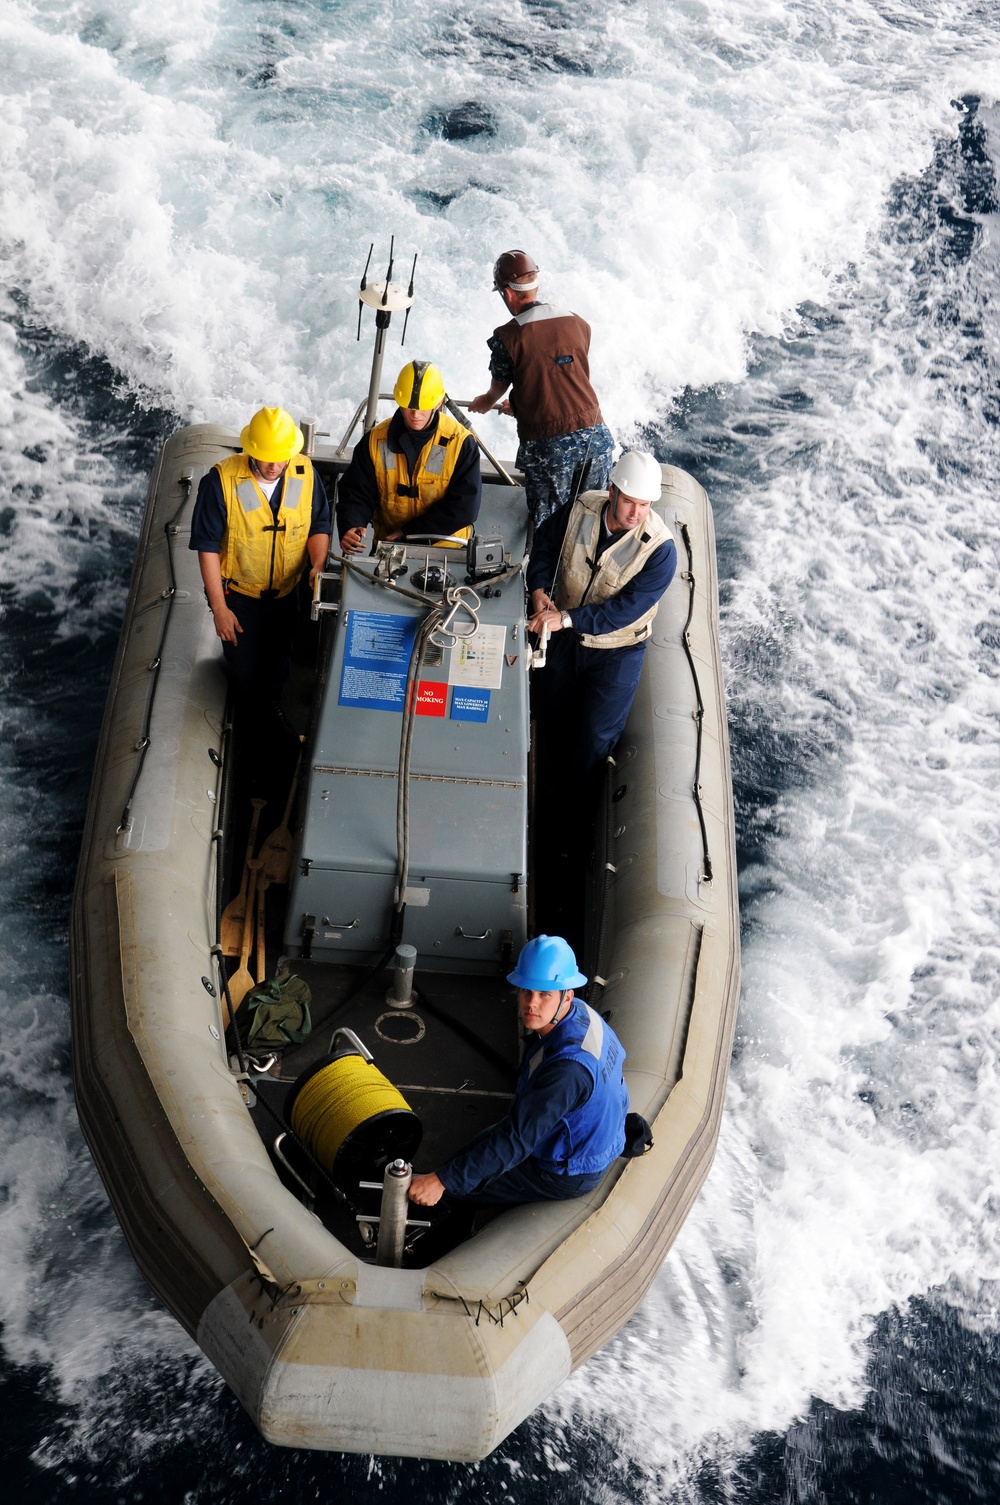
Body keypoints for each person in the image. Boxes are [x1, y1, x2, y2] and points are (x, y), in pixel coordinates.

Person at [408, 936, 628, 1208]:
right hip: (591, 1141)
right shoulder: (581, 1014)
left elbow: (517, 1141)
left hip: (567, 1171)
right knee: (475, 1149)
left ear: (566, 996)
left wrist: (442, 1182)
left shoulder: (568, 1071)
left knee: (460, 1185)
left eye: (544, 994)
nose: (531, 1003)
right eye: (527, 991)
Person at [526, 449, 677, 802]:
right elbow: (546, 546)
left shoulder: (660, 551)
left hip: (616, 651)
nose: (636, 513)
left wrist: (565, 618)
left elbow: (623, 611)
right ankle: (540, 786)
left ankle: (575, 813)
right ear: (612, 492)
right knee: (547, 711)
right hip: (563, 637)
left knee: (595, 737)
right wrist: (537, 590)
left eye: (644, 505)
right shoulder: (581, 509)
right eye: (629, 502)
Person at [190, 405, 331, 704]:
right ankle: (251, 718)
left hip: (286, 595)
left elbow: (319, 523)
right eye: (266, 457)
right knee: (245, 671)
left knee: (279, 662)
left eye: (280, 457)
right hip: (240, 600)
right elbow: (207, 547)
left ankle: (271, 711)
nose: (273, 466)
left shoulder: (305, 474)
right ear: (251, 449)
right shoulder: (221, 482)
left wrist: (317, 565)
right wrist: (219, 610)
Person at [468, 249, 614, 526]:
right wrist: (523, 404)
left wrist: (487, 400)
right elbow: (560, 375)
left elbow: (498, 387)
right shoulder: (578, 322)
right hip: (597, 440)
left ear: (507, 293)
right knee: (590, 522)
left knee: (549, 529)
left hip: (551, 450)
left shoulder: (506, 337)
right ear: (535, 285)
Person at [337, 359, 481, 554]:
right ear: (398, 400)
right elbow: (356, 491)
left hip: (447, 548)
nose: (415, 414)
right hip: (389, 549)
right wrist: (351, 524)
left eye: (422, 406)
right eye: (408, 406)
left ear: (439, 403)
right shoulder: (374, 441)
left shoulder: (461, 443)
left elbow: (465, 507)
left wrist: (409, 533)